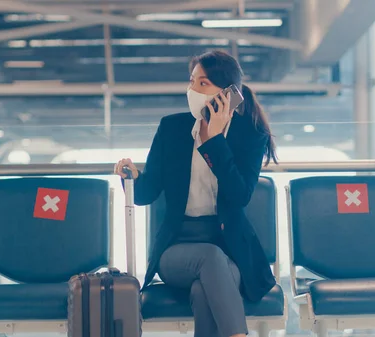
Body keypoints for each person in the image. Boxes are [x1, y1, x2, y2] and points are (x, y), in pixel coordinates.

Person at [114, 50, 278, 337]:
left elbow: (240, 196)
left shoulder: (249, 136)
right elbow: (145, 194)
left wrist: (214, 140)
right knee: (210, 259)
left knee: (206, 290)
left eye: (202, 84)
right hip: (177, 248)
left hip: (229, 248)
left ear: (228, 94)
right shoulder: (172, 129)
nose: (192, 90)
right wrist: (133, 177)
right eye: (191, 82)